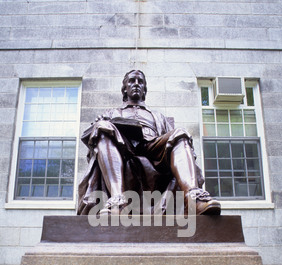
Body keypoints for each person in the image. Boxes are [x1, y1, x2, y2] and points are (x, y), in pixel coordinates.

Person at [77, 70, 221, 216]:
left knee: (180, 133)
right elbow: (93, 141)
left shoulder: (158, 116)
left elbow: (173, 142)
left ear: (145, 89)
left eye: (140, 82)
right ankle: (117, 201)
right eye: (132, 81)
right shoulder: (111, 113)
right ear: (125, 88)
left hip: (154, 148)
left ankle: (193, 198)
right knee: (102, 127)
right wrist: (101, 123)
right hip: (124, 149)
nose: (136, 84)